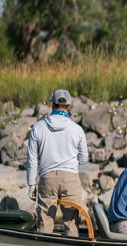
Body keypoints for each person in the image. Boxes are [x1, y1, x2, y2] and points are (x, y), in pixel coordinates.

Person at [26, 89, 89, 236]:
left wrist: (31, 184)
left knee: (44, 221)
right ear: (69, 105)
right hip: (70, 178)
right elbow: (84, 158)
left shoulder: (37, 128)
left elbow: (32, 158)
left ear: (51, 104)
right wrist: (72, 162)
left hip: (47, 178)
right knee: (71, 223)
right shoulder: (77, 130)